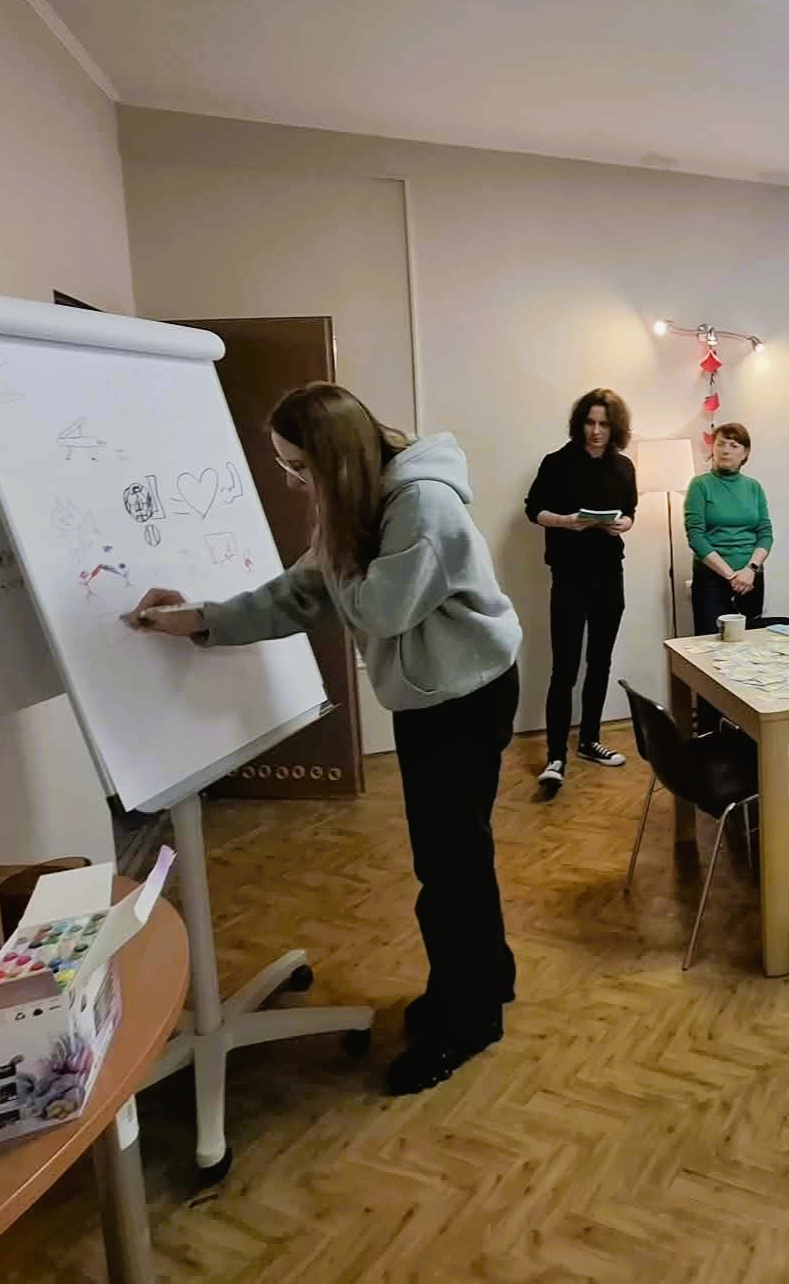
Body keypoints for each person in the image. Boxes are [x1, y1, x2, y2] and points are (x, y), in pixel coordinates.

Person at [125, 383, 522, 1096]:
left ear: (336, 461)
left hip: (464, 698)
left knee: (449, 864)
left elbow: (380, 608)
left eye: (299, 467)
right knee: (457, 854)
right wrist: (201, 618)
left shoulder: (423, 506)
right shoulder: (364, 501)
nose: (291, 480)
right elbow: (300, 594)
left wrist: (330, 541)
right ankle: (485, 979)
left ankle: (470, 1020)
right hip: (435, 694)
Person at [524, 389, 638, 796]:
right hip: (569, 576)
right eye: (590, 422)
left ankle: (589, 740)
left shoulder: (623, 467)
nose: (596, 431)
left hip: (609, 574)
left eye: (604, 424)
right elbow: (533, 509)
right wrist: (564, 521)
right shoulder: (556, 462)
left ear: (614, 427)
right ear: (580, 424)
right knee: (565, 668)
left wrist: (623, 524)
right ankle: (555, 756)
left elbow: (630, 512)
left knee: (600, 662)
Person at [684, 423, 772, 635]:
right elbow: (696, 537)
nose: (725, 450)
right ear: (712, 448)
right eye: (720, 444)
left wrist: (750, 569)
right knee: (710, 643)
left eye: (733, 445)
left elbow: (765, 533)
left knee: (750, 642)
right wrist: (731, 576)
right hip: (712, 579)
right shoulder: (700, 485)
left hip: (750, 578)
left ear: (745, 453)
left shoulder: (753, 487)